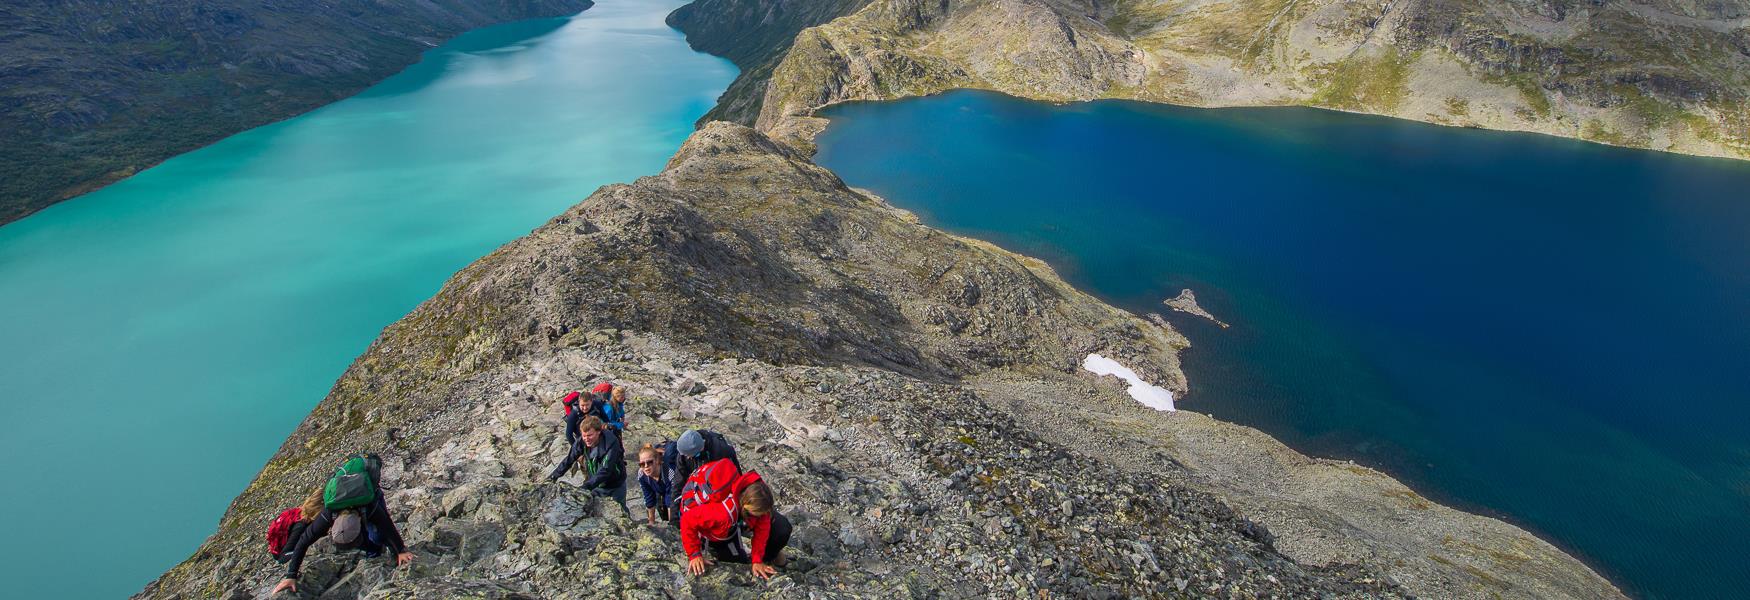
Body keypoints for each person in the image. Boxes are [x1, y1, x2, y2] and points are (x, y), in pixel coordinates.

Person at [271, 463, 412, 594]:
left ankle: (381, 551)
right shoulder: (327, 515)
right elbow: (303, 541)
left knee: (377, 535)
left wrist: (400, 551)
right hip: (351, 506)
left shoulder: (371, 507)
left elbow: (387, 525)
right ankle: (373, 552)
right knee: (369, 538)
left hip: (368, 493)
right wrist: (291, 576)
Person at [680, 467, 791, 580]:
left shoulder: (761, 502)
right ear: (746, 506)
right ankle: (709, 545)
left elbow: (762, 529)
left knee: (741, 559)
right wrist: (694, 554)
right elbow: (687, 519)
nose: (761, 516)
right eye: (757, 514)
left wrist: (757, 560)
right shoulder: (723, 513)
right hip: (712, 529)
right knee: (737, 560)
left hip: (731, 525)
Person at [546, 415, 630, 517]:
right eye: (584, 435)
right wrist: (553, 477)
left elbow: (605, 469)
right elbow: (569, 459)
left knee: (622, 512)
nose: (586, 439)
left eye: (590, 435)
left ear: (599, 432)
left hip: (615, 485)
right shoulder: (582, 441)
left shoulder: (611, 443)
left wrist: (586, 486)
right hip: (595, 484)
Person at [671, 429, 739, 526]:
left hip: (720, 489)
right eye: (686, 455)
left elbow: (734, 480)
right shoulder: (683, 455)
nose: (688, 458)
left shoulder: (720, 451)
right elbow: (678, 483)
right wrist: (674, 519)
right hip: (702, 489)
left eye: (689, 455)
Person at [636, 443, 671, 524]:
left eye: (650, 462)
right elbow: (648, 497)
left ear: (657, 461)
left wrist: (672, 526)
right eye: (642, 464)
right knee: (661, 508)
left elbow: (671, 500)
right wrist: (651, 522)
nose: (646, 466)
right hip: (659, 490)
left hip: (675, 490)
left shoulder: (669, 472)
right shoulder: (641, 474)